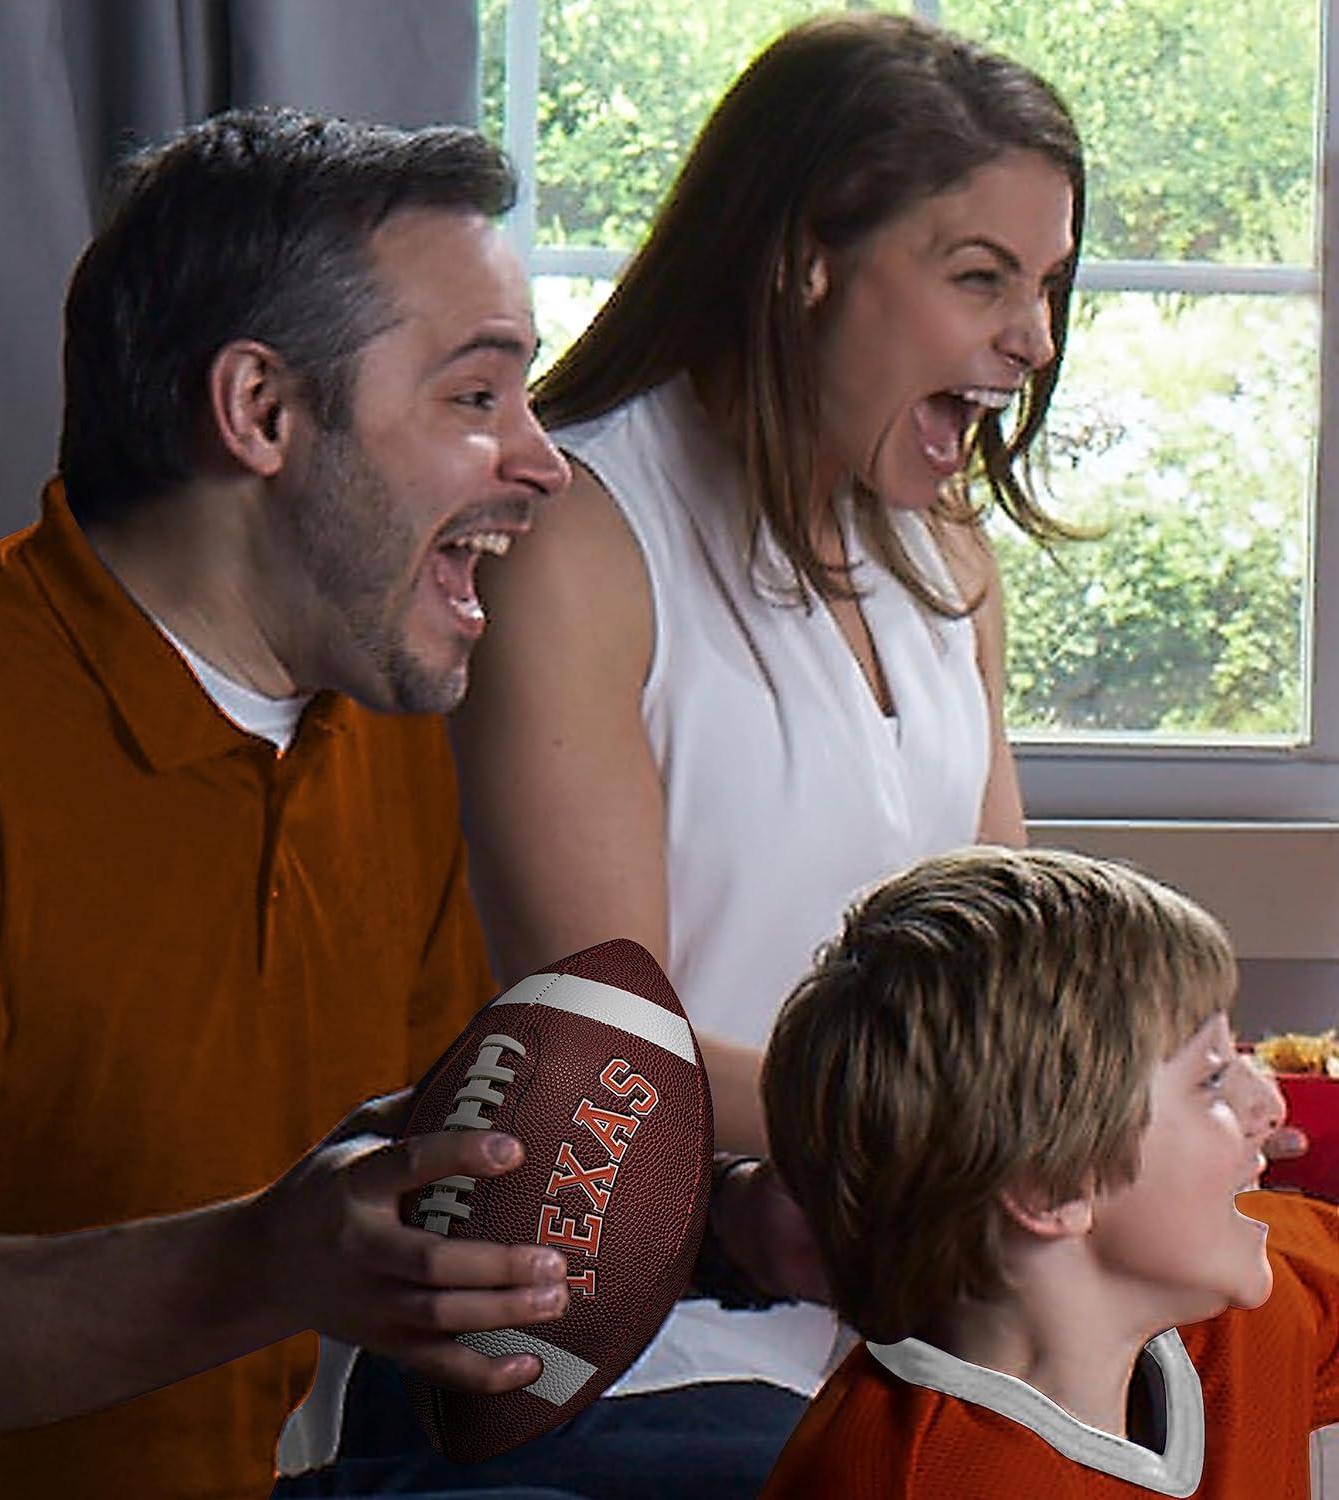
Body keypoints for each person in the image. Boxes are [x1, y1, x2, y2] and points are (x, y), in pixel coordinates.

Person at [0, 107, 588, 1500]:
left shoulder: (384, 728)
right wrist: (258, 1264)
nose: (542, 461)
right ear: (261, 412)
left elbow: (429, 1154)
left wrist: (723, 1227)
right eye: (477, 399)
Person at [405, 12, 1084, 1495]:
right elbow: (605, 1055)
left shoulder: (947, 548)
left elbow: (999, 981)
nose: (1031, 338)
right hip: (636, 1327)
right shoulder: (578, 534)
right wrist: (948, 1143)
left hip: (901, 1292)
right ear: (803, 258)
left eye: (1043, 286)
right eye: (980, 277)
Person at [759, 845, 1339, 1497]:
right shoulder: (912, 1479)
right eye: (1209, 1079)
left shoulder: (1235, 1316)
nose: (1269, 1103)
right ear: (1051, 1188)